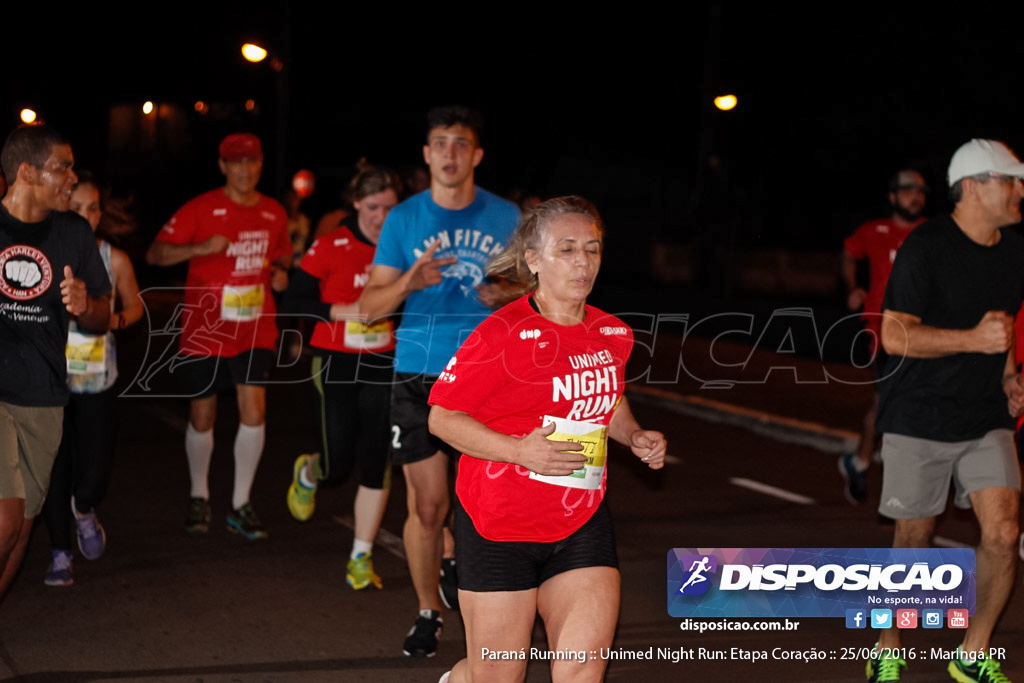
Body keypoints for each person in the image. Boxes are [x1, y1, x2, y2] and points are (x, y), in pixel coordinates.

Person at [428, 196, 667, 683]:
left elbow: (609, 400)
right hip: (499, 526)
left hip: (580, 521)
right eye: (567, 249)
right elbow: (442, 418)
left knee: (581, 670)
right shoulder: (501, 334)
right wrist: (519, 451)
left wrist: (633, 434)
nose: (583, 261)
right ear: (534, 259)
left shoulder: (613, 333)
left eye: (592, 249)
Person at [358, 105, 521, 657]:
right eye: (439, 143)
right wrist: (410, 279)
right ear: (426, 155)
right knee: (428, 508)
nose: (450, 152)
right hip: (419, 373)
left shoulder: (507, 217)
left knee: (487, 505)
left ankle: (494, 604)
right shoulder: (404, 219)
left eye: (461, 143)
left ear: (476, 155)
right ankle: (428, 611)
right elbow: (367, 308)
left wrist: (512, 295)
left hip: (489, 376)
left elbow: (545, 294)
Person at [867, 138, 1024, 682]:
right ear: (976, 187)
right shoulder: (925, 247)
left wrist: (1009, 377)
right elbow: (892, 334)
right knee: (914, 539)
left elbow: (1000, 330)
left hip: (985, 415)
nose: (1021, 189)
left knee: (1004, 533)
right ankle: (886, 643)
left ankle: (973, 654)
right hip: (920, 413)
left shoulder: (1013, 251)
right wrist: (972, 341)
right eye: (1011, 179)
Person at [146, 133, 291, 540]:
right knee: (203, 416)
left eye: (252, 161)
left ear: (260, 164)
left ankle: (240, 504)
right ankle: (199, 495)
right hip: (205, 329)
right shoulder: (201, 208)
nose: (245, 169)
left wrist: (280, 273)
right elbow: (155, 253)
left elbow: (282, 255)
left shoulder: (273, 212)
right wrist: (199, 248)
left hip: (255, 326)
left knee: (255, 412)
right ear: (223, 165)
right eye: (236, 162)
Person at [0, 125, 111, 600]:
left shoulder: (73, 233)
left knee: (22, 530)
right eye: (61, 167)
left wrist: (86, 305)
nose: (72, 178)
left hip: (44, 397)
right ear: (25, 172)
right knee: (5, 515)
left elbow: (103, 317)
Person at [283, 167, 399, 590]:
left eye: (389, 208)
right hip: (334, 360)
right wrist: (343, 311)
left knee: (376, 461)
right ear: (356, 203)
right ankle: (309, 472)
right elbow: (293, 299)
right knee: (337, 466)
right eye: (373, 208)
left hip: (382, 362)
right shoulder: (331, 245)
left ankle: (360, 557)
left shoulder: (401, 246)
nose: (381, 217)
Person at [41, 172, 143, 586]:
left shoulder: (113, 258)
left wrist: (112, 320)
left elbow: (135, 307)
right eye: (78, 206)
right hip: (50, 384)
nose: (87, 215)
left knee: (95, 468)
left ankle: (84, 510)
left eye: (94, 207)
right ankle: (59, 554)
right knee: (55, 467)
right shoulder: (43, 254)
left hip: (98, 380)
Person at [838, 169, 928, 504]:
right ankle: (892, 481)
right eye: (907, 191)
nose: (915, 197)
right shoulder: (874, 230)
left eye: (920, 191)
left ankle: (859, 461)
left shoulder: (931, 233)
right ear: (893, 197)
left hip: (923, 333)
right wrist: (853, 288)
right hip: (882, 329)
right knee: (888, 401)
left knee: (905, 403)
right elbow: (848, 253)